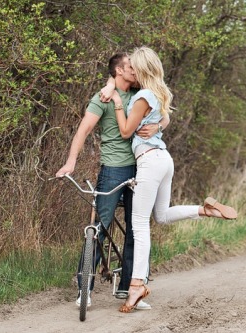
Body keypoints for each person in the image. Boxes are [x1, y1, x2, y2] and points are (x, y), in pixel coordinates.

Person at [109, 46, 238, 313]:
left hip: (149, 161)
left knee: (140, 226)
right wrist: (157, 126)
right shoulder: (158, 92)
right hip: (164, 160)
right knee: (162, 216)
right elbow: (165, 119)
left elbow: (124, 132)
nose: (130, 69)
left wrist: (118, 104)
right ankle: (205, 209)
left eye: (133, 66)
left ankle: (136, 286)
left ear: (142, 69)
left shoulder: (143, 96)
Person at [56, 52, 169, 309]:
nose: (135, 68)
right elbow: (83, 129)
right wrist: (71, 161)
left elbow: (164, 112)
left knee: (135, 228)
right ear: (119, 71)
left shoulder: (141, 91)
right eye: (130, 65)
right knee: (99, 228)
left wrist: (160, 126)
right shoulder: (104, 97)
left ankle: (130, 288)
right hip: (114, 170)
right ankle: (85, 288)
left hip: (142, 167)